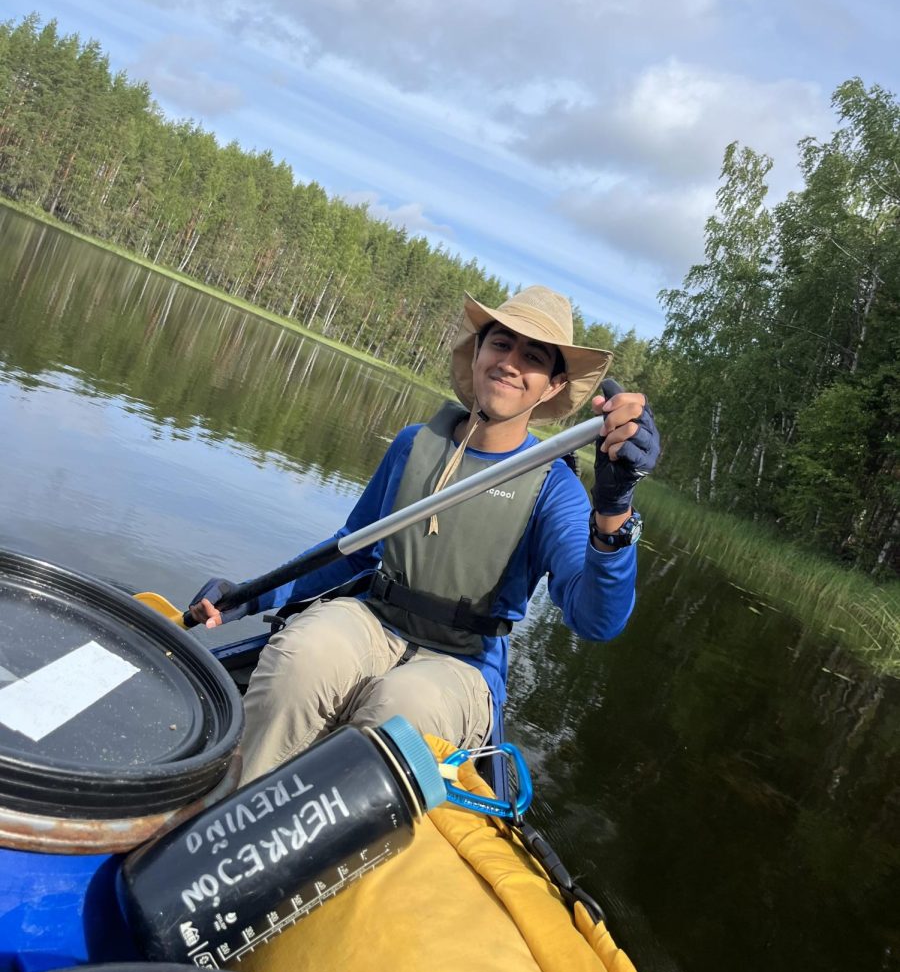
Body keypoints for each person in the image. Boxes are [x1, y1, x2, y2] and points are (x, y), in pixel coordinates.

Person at [190, 286, 659, 781]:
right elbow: (351, 550)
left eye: (533, 356)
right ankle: (230, 810)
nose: (510, 362)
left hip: (463, 663)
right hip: (375, 620)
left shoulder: (554, 488)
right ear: (477, 353)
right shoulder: (415, 443)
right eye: (500, 344)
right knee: (301, 657)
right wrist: (253, 594)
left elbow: (595, 620)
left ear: (552, 386)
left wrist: (613, 511)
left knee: (401, 707)